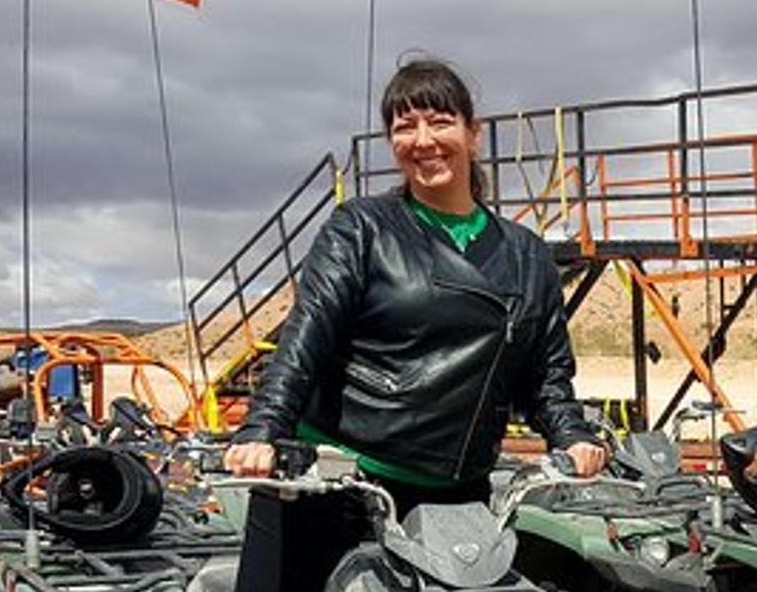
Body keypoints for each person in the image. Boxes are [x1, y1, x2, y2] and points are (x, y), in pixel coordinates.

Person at [223, 56, 606, 505]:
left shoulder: (527, 254)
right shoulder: (361, 227)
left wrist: (572, 435)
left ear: (473, 134)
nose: (423, 141)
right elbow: (307, 334)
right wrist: (261, 428)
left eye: (440, 122)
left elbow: (545, 374)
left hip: (459, 492)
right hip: (340, 478)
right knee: (294, 579)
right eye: (405, 127)